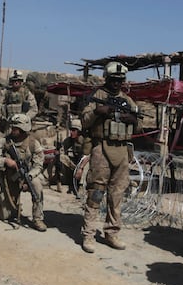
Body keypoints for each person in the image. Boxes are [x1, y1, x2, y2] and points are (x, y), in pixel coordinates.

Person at [79, 61, 138, 253]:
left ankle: (111, 232)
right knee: (96, 192)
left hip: (122, 150)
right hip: (101, 148)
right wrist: (97, 111)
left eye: (120, 80)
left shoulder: (128, 101)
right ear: (107, 78)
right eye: (113, 80)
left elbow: (139, 125)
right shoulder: (97, 97)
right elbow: (85, 121)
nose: (116, 84)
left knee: (117, 194)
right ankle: (88, 234)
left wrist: (133, 120)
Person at [0, 114, 47, 232]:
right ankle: (12, 205)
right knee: (4, 215)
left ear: (23, 130)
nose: (12, 130)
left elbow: (39, 165)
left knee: (37, 184)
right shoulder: (4, 141)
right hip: (10, 178)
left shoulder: (33, 143)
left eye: (16, 128)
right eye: (12, 127)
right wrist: (5, 161)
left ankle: (38, 218)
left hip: (28, 177)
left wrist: (29, 177)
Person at [0, 70, 38, 136]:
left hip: (23, 126)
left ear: (21, 82)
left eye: (18, 80)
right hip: (9, 124)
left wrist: (24, 118)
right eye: (14, 81)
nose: (16, 82)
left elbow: (34, 109)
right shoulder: (5, 93)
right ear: (11, 82)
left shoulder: (27, 93)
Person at [58, 118, 87, 193]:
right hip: (75, 164)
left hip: (84, 164)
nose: (71, 132)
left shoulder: (84, 140)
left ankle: (80, 186)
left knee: (87, 164)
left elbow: (87, 156)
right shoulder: (69, 140)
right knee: (61, 157)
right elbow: (62, 150)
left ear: (79, 131)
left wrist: (80, 167)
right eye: (71, 130)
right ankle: (64, 181)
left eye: (74, 130)